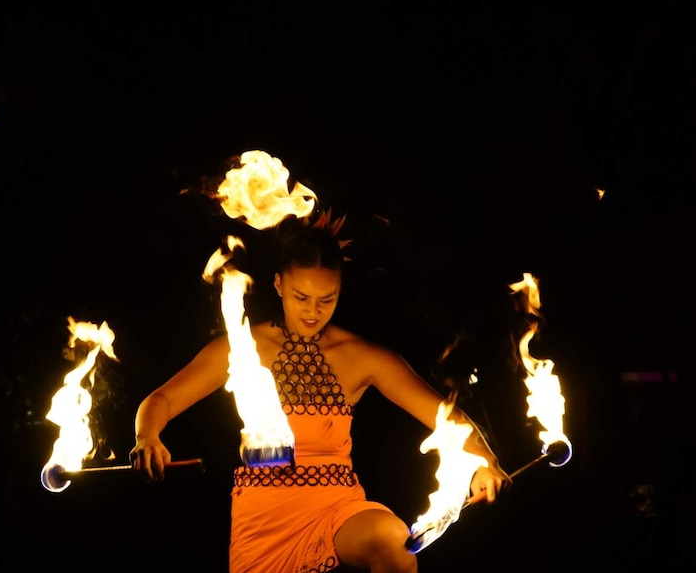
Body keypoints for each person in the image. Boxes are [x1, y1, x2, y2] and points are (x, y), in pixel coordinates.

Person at [130, 213, 511, 573]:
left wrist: (485, 462)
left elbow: (448, 418)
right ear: (278, 284)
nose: (313, 311)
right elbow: (160, 400)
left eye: (326, 299)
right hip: (264, 515)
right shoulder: (243, 346)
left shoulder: (362, 357)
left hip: (339, 505)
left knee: (395, 544)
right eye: (301, 297)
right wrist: (148, 437)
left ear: (340, 289)